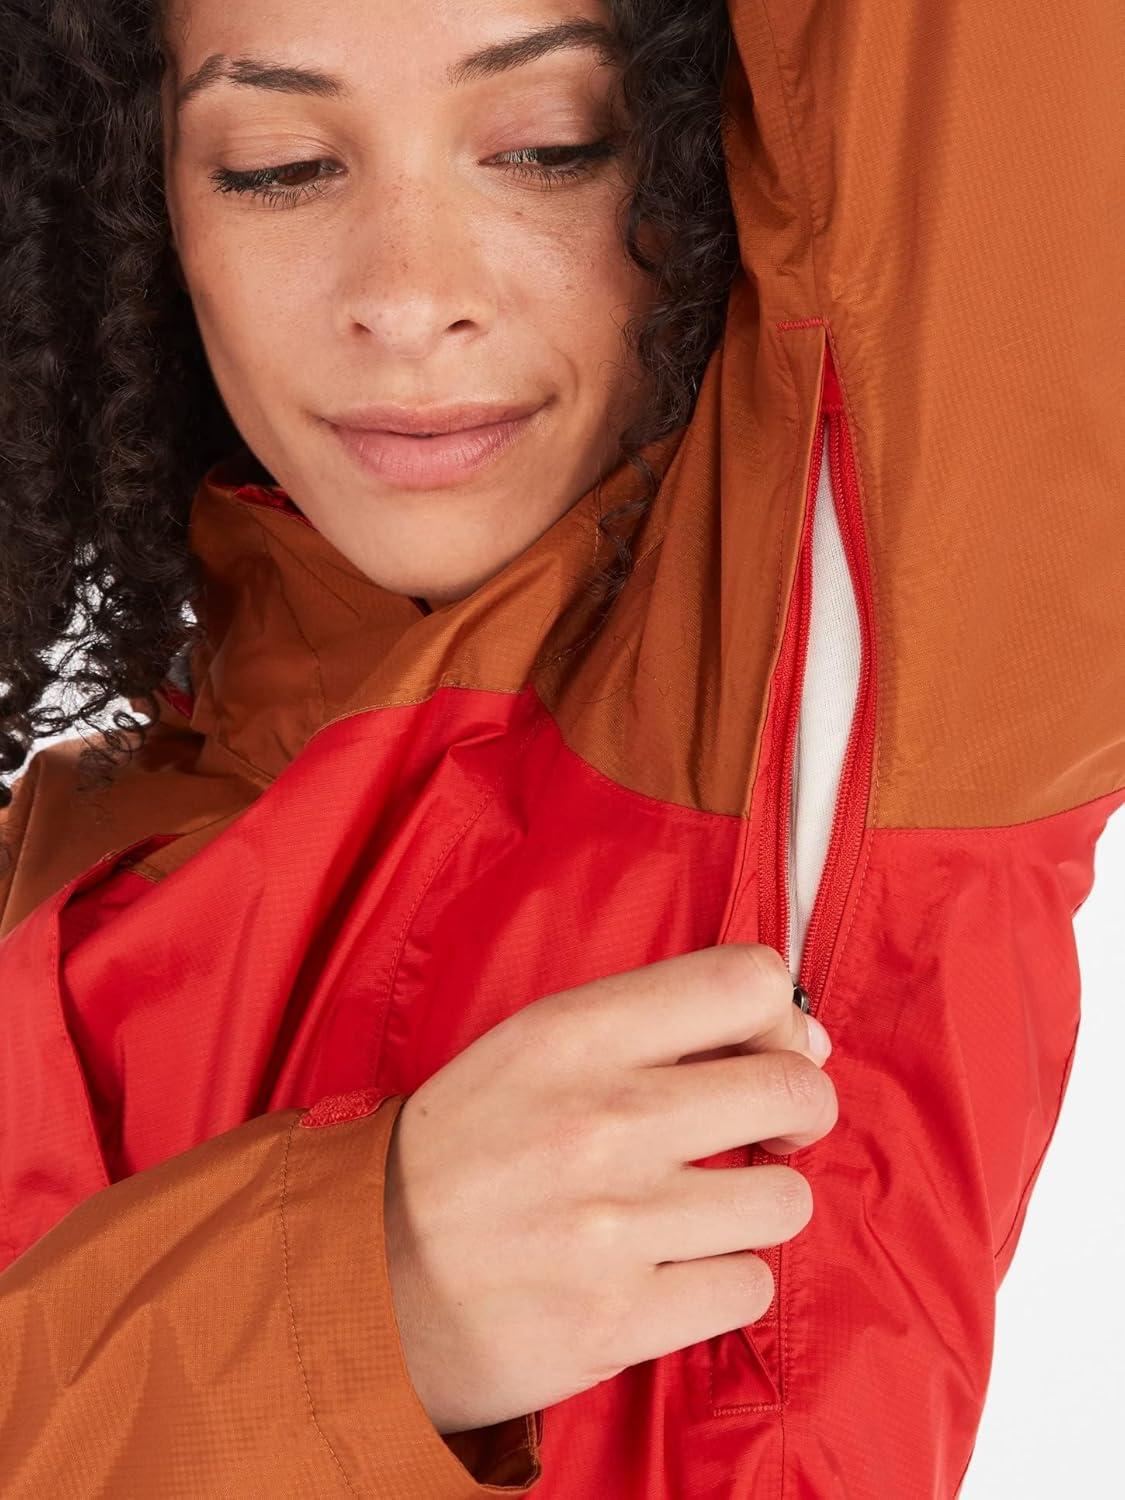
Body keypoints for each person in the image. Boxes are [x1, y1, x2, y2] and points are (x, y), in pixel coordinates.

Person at [0, 0, 1121, 1495]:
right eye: (277, 166)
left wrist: (312, 1338)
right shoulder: (53, 861)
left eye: (549, 148)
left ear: (702, 154)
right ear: (144, 209)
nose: (409, 299)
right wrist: (352, 1308)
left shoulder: (845, 634)